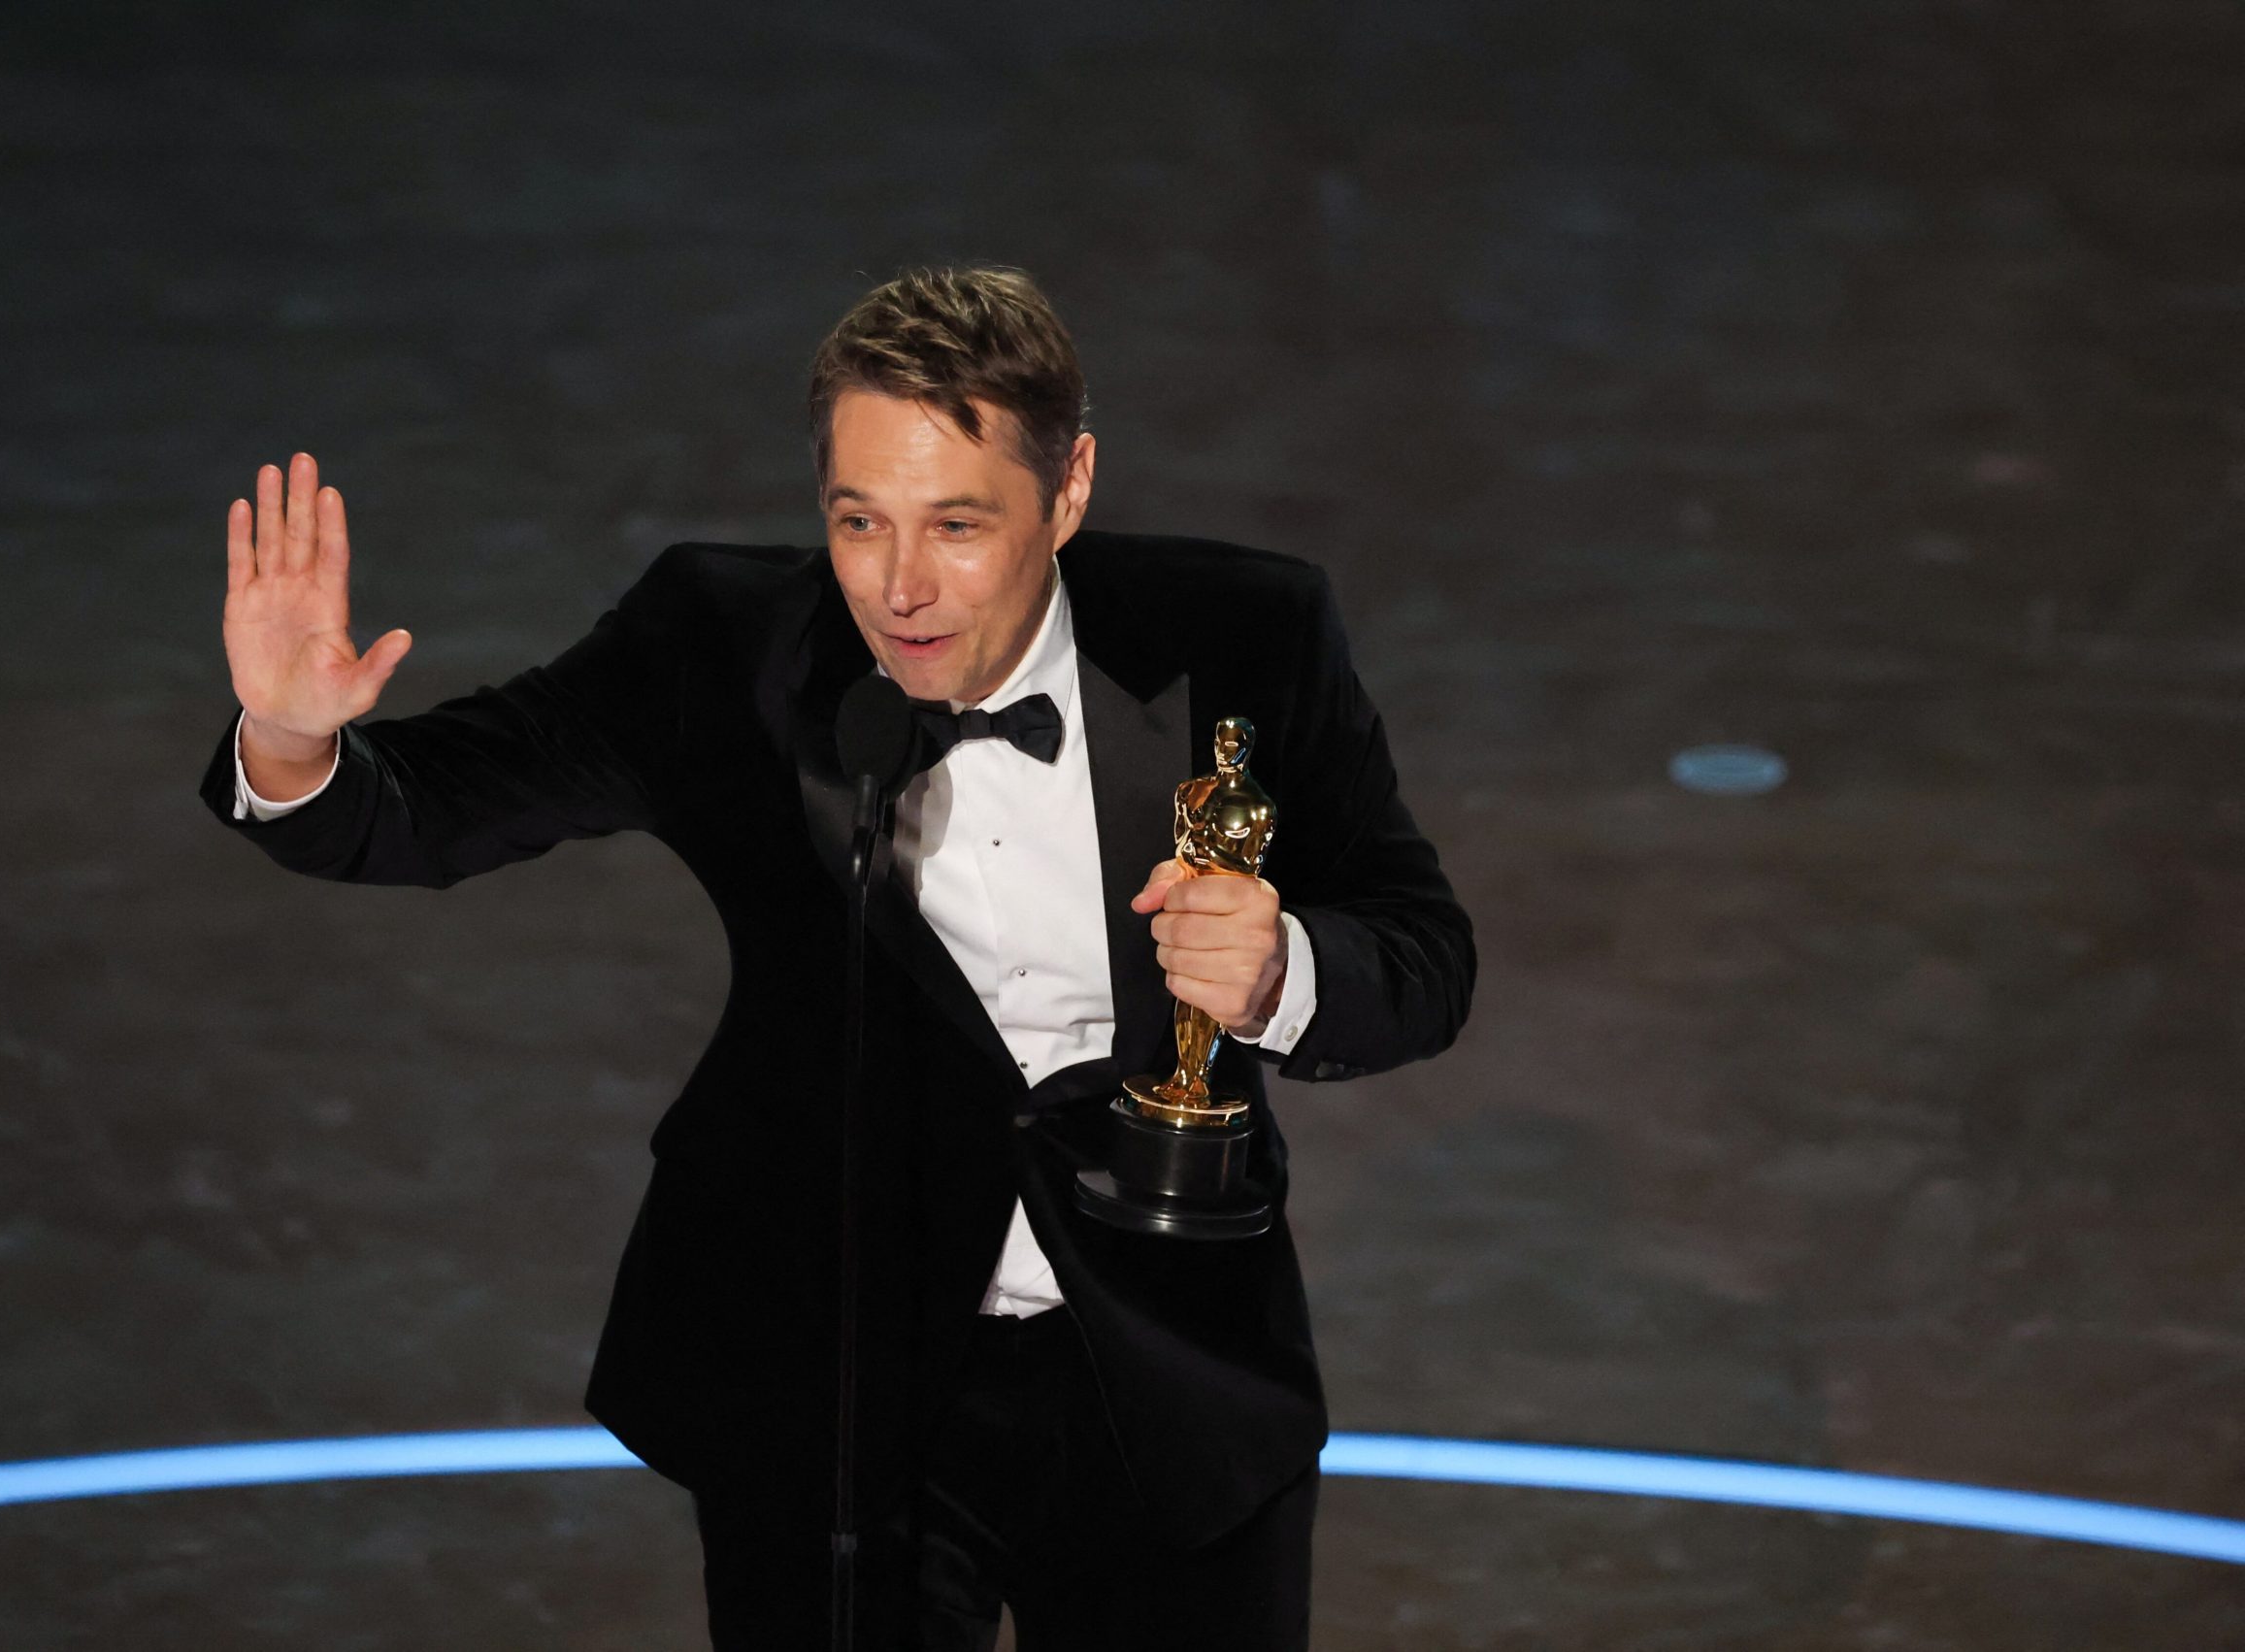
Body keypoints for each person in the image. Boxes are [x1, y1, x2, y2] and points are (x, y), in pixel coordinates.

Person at [201, 264, 1476, 1649]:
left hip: (1158, 1369)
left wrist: (1283, 964)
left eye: (958, 523)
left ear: (1072, 488)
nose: (901, 586)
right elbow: (430, 804)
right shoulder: (724, 645)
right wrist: (290, 740)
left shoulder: (1246, 639)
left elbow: (1423, 956)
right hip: (830, 1361)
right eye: (858, 520)